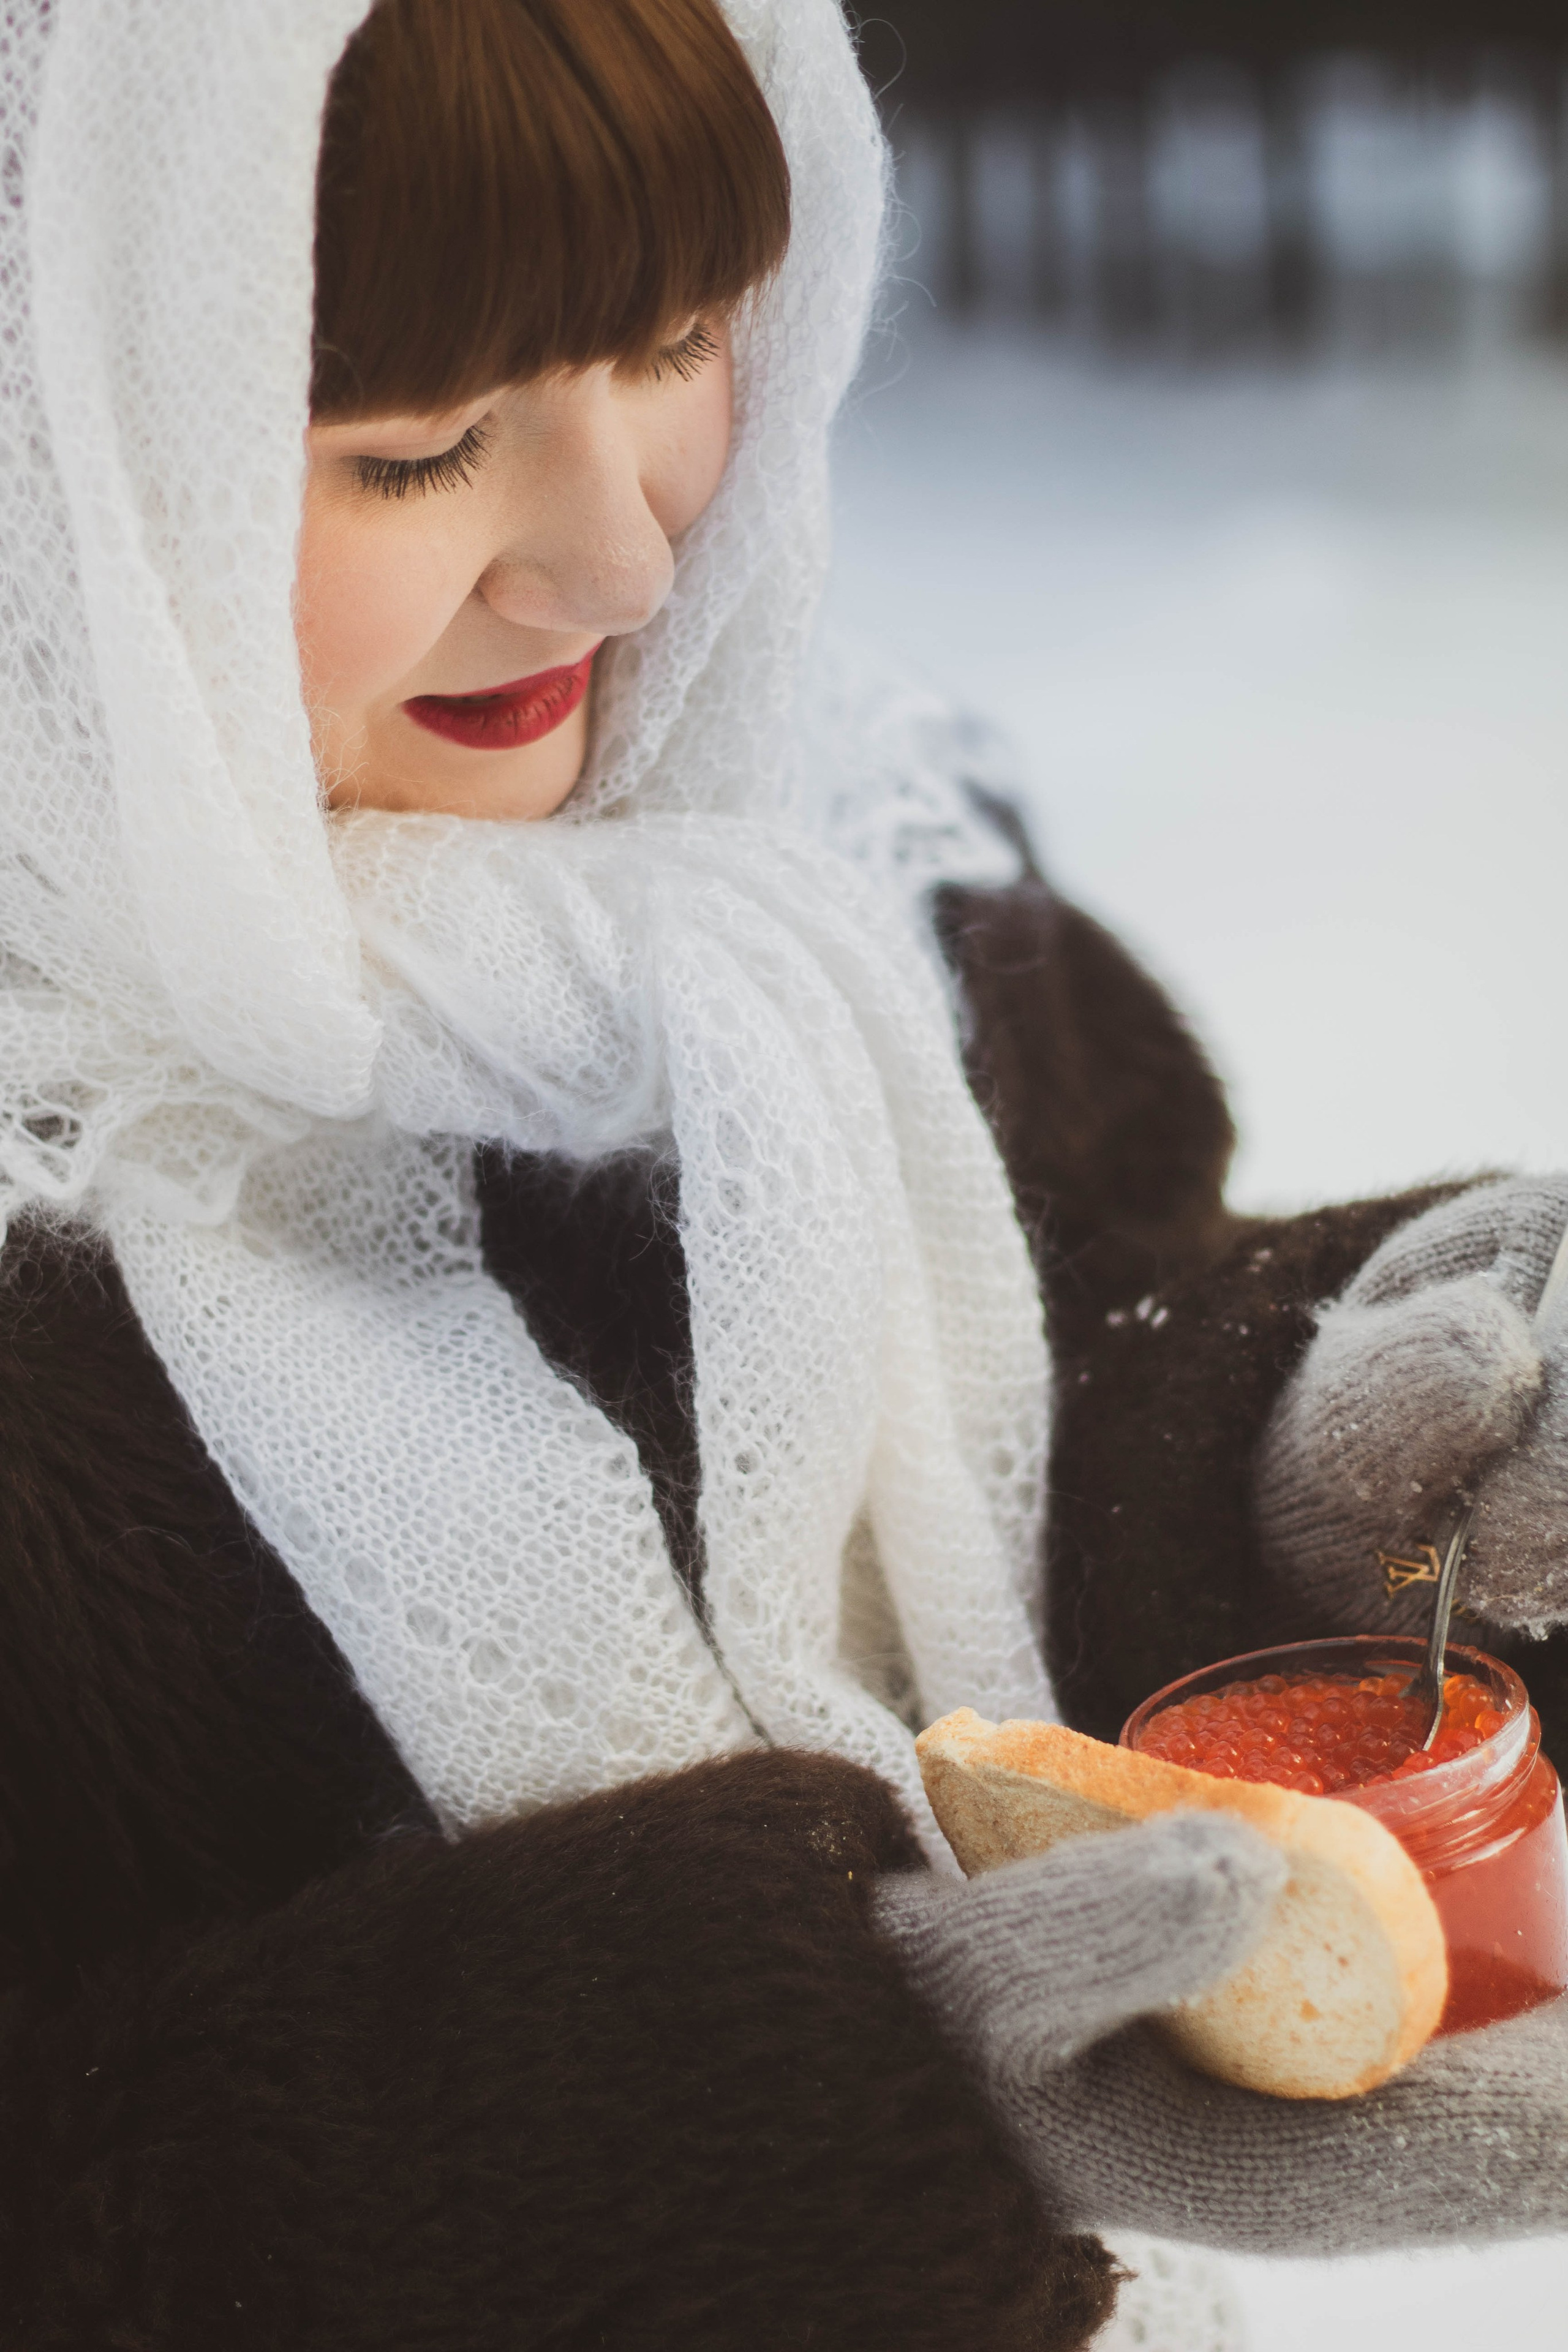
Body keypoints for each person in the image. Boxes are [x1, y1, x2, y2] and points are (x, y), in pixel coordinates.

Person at [0, 2, 1564, 2346]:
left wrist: (1290, 1478)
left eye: (678, 338)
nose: (623, 564)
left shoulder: (812, 904)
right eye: (417, 450)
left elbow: (1035, 1378)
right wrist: (708, 2103)